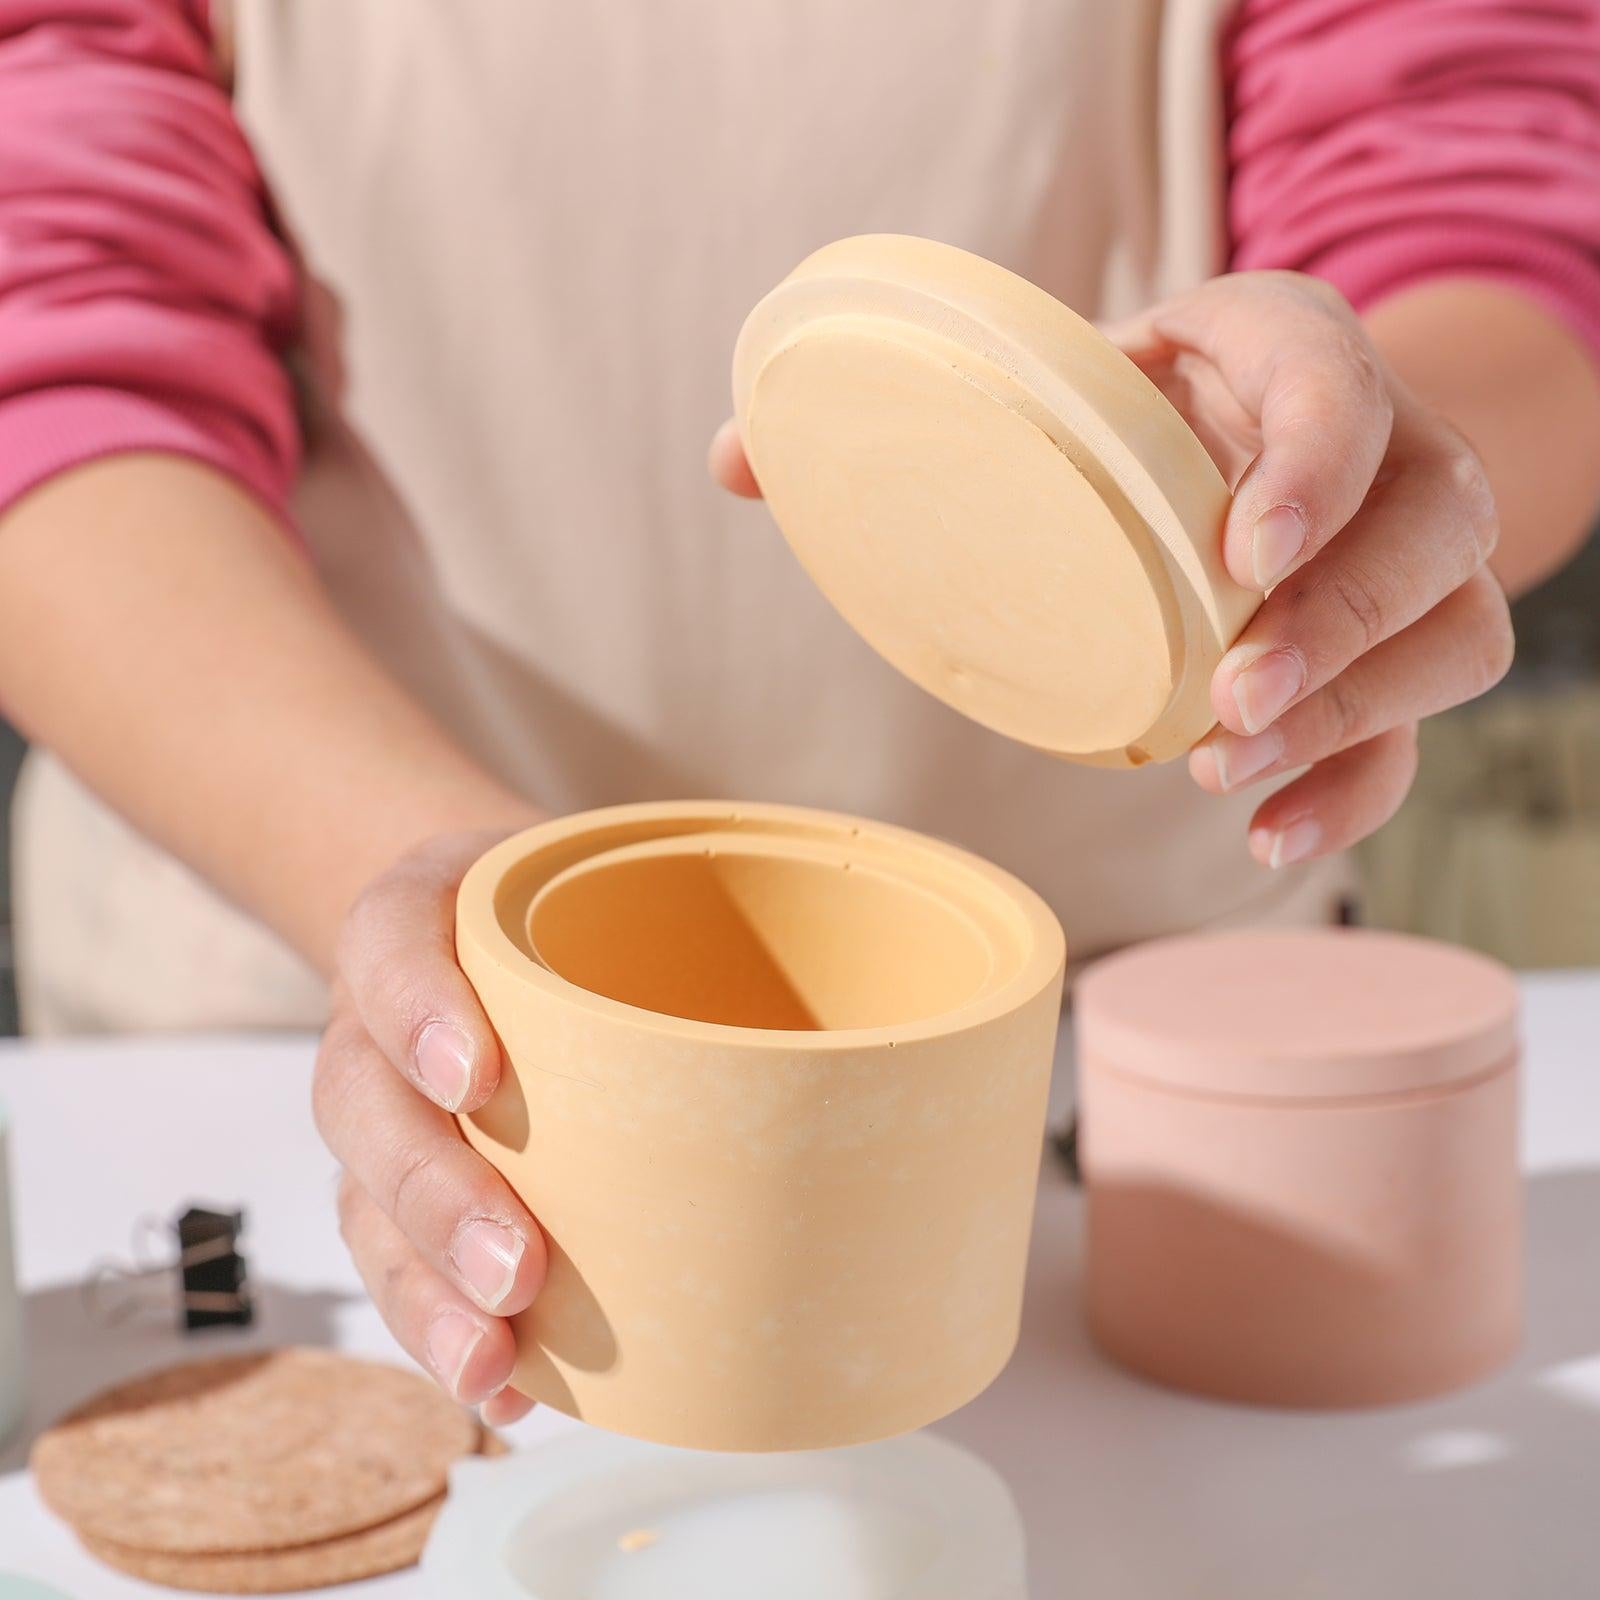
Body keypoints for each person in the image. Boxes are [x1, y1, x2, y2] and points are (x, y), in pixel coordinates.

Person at [1, 0, 1597, 1423]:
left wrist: (1334, 477)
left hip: (1121, 1071)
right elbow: (50, 322)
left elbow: (1478, 184)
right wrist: (425, 889)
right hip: (322, 1023)